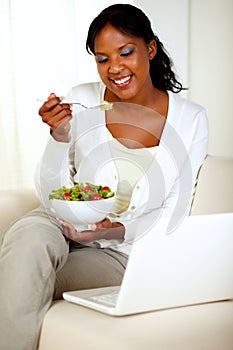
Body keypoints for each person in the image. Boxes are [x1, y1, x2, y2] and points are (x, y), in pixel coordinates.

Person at [0, 3, 208, 350]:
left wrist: (119, 229)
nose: (115, 68)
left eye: (126, 52)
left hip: (116, 251)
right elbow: (51, 189)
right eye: (102, 58)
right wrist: (59, 137)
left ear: (150, 49)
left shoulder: (190, 119)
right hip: (56, 220)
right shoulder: (82, 99)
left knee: (20, 277)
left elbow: (175, 208)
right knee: (28, 244)